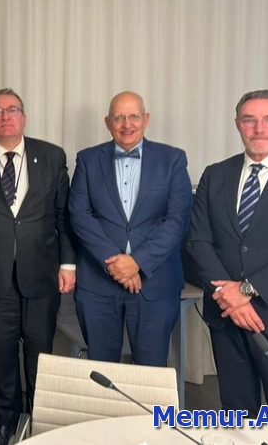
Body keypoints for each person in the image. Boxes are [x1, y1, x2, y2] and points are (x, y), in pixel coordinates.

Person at [186, 89, 268, 424]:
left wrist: (247, 291)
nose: (259, 128)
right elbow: (198, 240)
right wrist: (229, 297)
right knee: (238, 417)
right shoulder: (215, 175)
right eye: (249, 120)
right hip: (226, 319)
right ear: (237, 124)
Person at [0, 88, 76, 445]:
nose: (5, 116)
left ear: (24, 117)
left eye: (12, 109)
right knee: (1, 358)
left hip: (41, 276)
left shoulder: (52, 156)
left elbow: (63, 216)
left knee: (40, 355)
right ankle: (7, 424)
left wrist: (68, 263)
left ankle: (40, 424)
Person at [68, 91, 192, 366]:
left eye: (134, 116)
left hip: (155, 283)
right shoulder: (87, 160)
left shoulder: (172, 159)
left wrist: (137, 262)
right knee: (101, 370)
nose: (127, 124)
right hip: (98, 284)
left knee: (150, 371)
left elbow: (178, 219)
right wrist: (115, 264)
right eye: (119, 118)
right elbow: (79, 215)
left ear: (146, 119)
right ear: (107, 122)